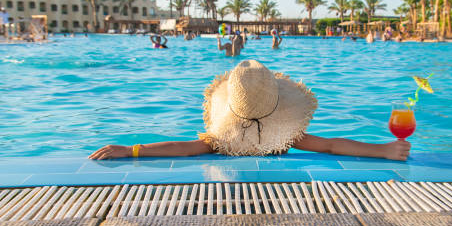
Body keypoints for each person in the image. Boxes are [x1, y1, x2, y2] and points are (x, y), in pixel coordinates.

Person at [90, 60, 411, 161]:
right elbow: (330, 145)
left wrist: (132, 150)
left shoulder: (221, 140)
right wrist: (383, 151)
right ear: (277, 105)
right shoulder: (287, 139)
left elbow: (183, 149)